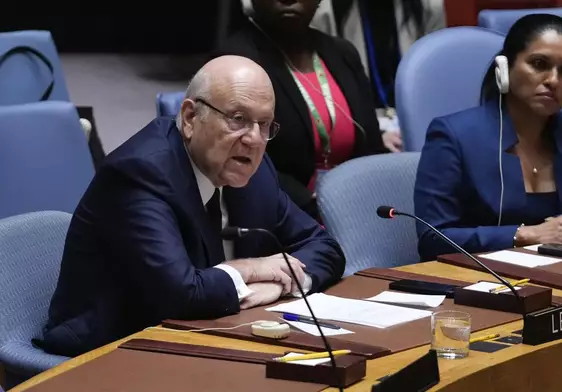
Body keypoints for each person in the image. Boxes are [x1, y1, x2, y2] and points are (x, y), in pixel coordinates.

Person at [38, 56, 345, 357]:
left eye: (264, 125)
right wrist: (251, 268)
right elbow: (180, 295)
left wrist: (280, 286)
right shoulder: (139, 174)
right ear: (189, 118)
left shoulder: (254, 170)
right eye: (238, 119)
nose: (253, 139)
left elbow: (325, 247)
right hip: (109, 352)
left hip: (210, 336)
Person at [414, 14, 562, 260]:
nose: (553, 80)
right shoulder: (454, 135)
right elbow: (433, 237)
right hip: (481, 280)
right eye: (539, 64)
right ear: (504, 69)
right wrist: (524, 235)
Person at [214, 0, 402, 219]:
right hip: (286, 220)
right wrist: (320, 206)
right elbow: (241, 165)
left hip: (358, 210)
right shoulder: (233, 63)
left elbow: (372, 149)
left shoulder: (343, 53)